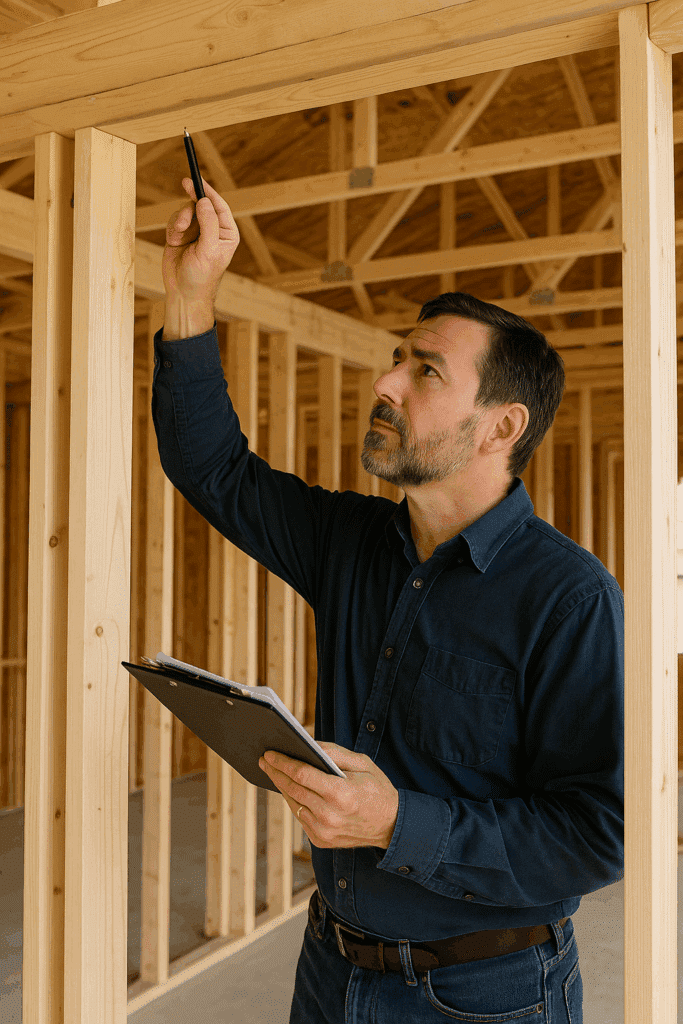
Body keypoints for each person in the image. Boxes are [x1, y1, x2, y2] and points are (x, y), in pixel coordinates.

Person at [152, 175, 624, 1024]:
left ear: (501, 426)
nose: (386, 381)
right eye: (399, 358)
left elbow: (593, 835)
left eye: (424, 370)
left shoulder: (568, 596)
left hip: (486, 995)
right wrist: (190, 296)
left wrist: (397, 822)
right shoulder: (352, 541)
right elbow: (213, 470)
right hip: (329, 967)